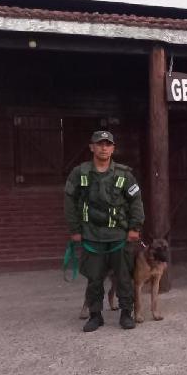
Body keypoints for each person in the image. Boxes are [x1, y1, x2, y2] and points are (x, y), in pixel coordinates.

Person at [64, 131, 145, 332]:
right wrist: (75, 229)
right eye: (99, 144)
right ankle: (95, 315)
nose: (103, 148)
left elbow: (136, 202)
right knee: (94, 277)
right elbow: (69, 202)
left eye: (107, 144)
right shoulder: (80, 173)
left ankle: (126, 313)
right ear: (91, 147)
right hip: (91, 235)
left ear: (113, 148)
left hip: (119, 234)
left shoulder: (124, 174)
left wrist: (135, 227)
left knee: (123, 276)